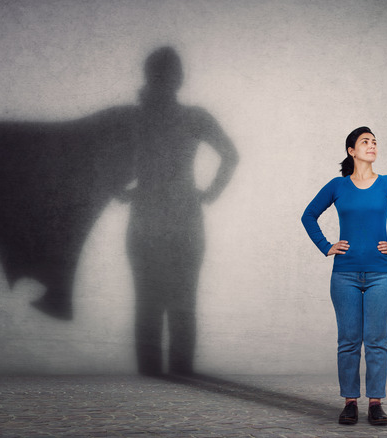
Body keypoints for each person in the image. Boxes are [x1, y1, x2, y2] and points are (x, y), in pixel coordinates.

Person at [118, 47, 238, 376]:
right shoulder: (193, 117)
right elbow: (231, 154)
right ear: (179, 78)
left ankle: (153, 385)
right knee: (182, 303)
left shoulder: (135, 118)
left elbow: (100, 162)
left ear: (147, 76)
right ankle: (181, 380)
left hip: (146, 217)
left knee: (148, 304)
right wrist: (209, 193)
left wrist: (120, 189)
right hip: (184, 217)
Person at [301, 126, 387, 425]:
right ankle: (350, 402)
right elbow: (308, 215)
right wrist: (326, 245)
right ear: (351, 151)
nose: (372, 146)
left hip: (382, 274)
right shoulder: (337, 186)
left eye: (375, 142)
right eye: (365, 142)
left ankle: (376, 403)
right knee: (349, 341)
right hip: (345, 275)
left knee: (377, 341)